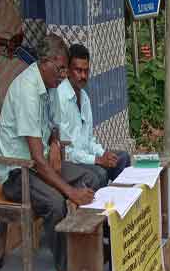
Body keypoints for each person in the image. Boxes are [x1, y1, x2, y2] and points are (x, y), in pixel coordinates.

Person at [0, 34, 105, 271]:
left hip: (40, 162)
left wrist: (55, 142)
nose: (64, 74)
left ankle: (86, 252)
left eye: (65, 69)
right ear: (44, 63)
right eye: (61, 69)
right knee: (57, 203)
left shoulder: (50, 85)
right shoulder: (27, 91)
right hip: (16, 172)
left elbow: (53, 126)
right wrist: (70, 192)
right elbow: (36, 159)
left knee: (95, 176)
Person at [51, 44, 131, 187]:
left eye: (86, 71)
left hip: (85, 157)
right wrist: (96, 160)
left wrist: (103, 153)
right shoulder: (60, 98)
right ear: (68, 71)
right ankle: (99, 208)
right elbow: (67, 152)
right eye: (78, 70)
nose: (83, 76)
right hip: (69, 162)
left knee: (122, 158)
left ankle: (119, 204)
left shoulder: (84, 97)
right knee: (100, 173)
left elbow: (88, 140)